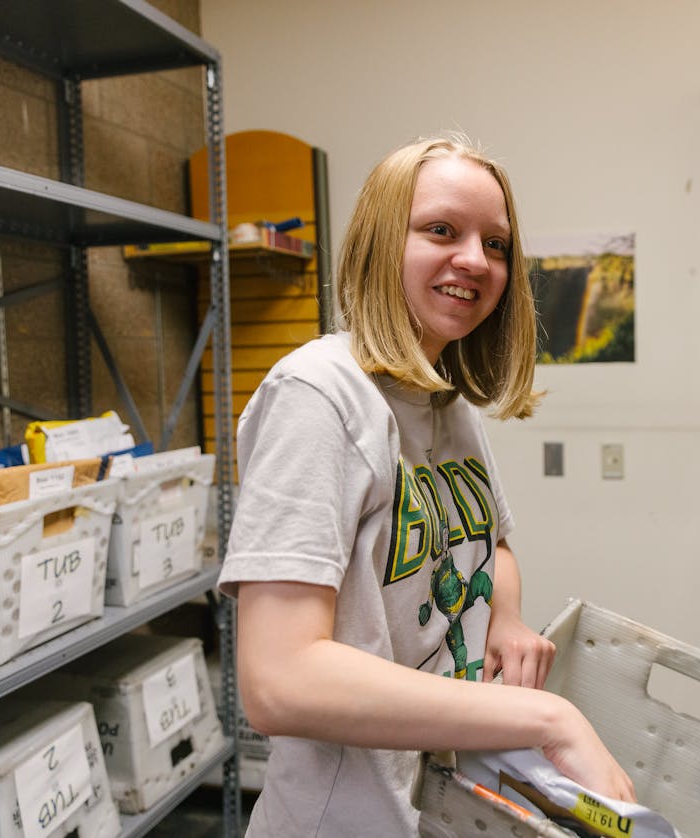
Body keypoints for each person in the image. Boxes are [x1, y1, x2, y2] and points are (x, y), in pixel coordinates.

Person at [219, 134, 634, 836]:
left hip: (440, 802)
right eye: (441, 230)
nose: (475, 260)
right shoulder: (318, 396)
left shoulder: (448, 400)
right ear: (383, 243)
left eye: (496, 244)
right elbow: (277, 680)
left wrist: (503, 616)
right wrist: (547, 717)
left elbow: (489, 545)